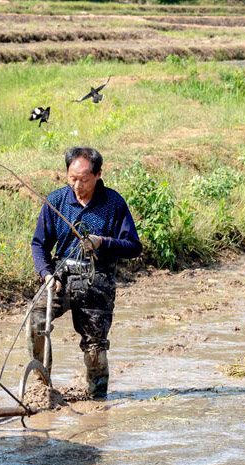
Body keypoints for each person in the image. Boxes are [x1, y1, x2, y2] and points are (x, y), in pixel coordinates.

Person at [29, 146, 142, 398]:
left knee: (94, 347)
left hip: (97, 280)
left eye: (84, 179)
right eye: (72, 178)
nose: (77, 185)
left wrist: (104, 242)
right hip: (60, 277)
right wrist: (47, 274)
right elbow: (39, 244)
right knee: (36, 321)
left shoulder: (114, 204)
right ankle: (42, 384)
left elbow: (133, 246)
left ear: (99, 174)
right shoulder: (56, 201)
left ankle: (97, 398)